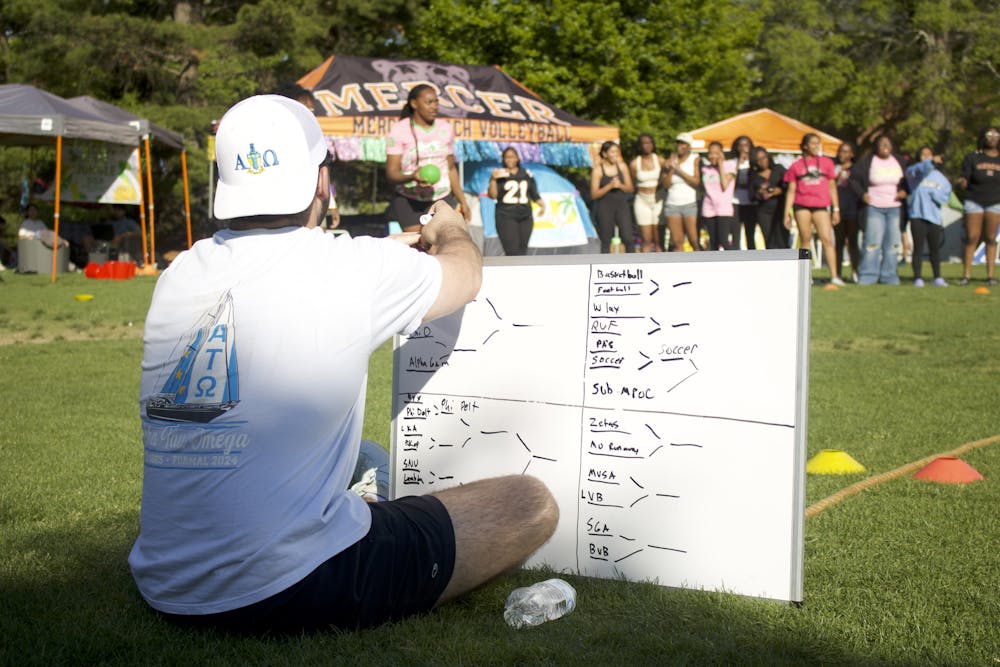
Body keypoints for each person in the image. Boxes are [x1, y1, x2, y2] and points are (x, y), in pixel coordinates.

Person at [129, 95, 558, 634]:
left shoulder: (181, 272)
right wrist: (449, 226)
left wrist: (392, 247)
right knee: (528, 502)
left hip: (166, 584)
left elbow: (307, 263)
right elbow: (465, 275)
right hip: (288, 587)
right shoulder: (353, 269)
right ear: (319, 182)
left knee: (368, 455)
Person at [385, 84, 471, 233]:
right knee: (418, 245)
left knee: (441, 243)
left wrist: (463, 201)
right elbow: (391, 174)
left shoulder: (445, 128)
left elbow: (451, 168)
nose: (434, 107)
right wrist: (413, 176)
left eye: (436, 102)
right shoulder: (399, 130)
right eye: (429, 102)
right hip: (409, 200)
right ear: (414, 104)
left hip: (442, 198)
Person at [784, 133, 844, 285]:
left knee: (827, 239)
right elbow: (791, 190)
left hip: (821, 206)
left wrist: (836, 209)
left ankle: (834, 276)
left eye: (818, 143)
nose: (817, 146)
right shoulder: (796, 166)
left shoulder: (827, 163)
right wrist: (786, 213)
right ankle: (805, 277)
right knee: (805, 240)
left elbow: (832, 187)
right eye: (813, 143)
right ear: (805, 146)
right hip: (801, 205)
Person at [850, 134, 907, 285]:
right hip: (874, 207)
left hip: (894, 207)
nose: (885, 146)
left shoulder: (899, 161)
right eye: (881, 144)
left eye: (888, 143)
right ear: (876, 146)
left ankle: (889, 276)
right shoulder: (868, 161)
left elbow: (909, 180)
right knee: (872, 242)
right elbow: (853, 179)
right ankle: (868, 275)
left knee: (893, 243)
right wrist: (862, 194)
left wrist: (905, 191)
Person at [957, 126, 1000, 286]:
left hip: (995, 201)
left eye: (996, 135)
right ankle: (966, 275)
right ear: (983, 137)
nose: (993, 137)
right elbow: (964, 177)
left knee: (990, 238)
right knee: (972, 237)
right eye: (989, 134)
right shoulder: (973, 157)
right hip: (974, 200)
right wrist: (962, 182)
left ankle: (990, 276)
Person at [905, 146, 952, 286]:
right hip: (917, 215)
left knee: (934, 249)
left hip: (934, 218)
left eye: (929, 154)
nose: (926, 157)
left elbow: (946, 197)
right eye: (923, 155)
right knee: (918, 248)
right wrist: (930, 161)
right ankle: (917, 277)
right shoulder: (914, 173)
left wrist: (935, 195)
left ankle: (937, 277)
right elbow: (917, 169)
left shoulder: (941, 178)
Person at [488, 147, 544, 256]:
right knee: (512, 251)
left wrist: (542, 205)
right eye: (507, 157)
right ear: (503, 159)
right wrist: (493, 179)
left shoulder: (526, 174)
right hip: (506, 215)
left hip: (525, 216)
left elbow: (534, 194)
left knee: (522, 250)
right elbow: (493, 195)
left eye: (512, 157)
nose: (510, 160)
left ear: (517, 158)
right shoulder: (499, 174)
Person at [590, 140, 635, 253]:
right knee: (606, 240)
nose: (615, 155)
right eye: (612, 152)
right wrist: (609, 186)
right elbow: (594, 194)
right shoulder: (598, 170)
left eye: (617, 152)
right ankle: (604, 267)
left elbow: (630, 188)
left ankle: (634, 264)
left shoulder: (622, 167)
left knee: (628, 238)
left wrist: (620, 185)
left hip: (621, 205)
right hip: (605, 206)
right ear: (605, 154)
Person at [661, 133, 701, 251]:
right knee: (677, 242)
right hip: (672, 204)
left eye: (683, 143)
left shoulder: (695, 159)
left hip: (690, 204)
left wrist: (679, 169)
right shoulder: (669, 162)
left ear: (689, 146)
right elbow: (666, 185)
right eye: (678, 143)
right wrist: (672, 169)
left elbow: (696, 181)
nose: (680, 146)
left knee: (693, 240)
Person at [630, 133, 668, 252]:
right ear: (640, 146)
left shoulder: (660, 160)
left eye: (649, 142)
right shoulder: (634, 163)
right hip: (642, 200)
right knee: (645, 239)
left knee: (659, 240)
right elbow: (632, 183)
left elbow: (667, 179)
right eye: (644, 143)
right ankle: (645, 267)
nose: (647, 145)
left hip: (658, 199)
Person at [700, 141, 737, 251]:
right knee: (713, 241)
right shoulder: (705, 169)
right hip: (708, 208)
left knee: (723, 240)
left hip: (723, 208)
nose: (712, 156)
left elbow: (725, 185)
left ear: (721, 153)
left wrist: (721, 163)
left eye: (716, 153)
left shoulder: (730, 166)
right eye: (710, 153)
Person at [749, 146, 787, 249]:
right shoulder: (754, 175)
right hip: (764, 212)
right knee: (769, 241)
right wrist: (760, 193)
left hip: (780, 208)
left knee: (782, 238)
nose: (762, 161)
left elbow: (789, 186)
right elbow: (751, 196)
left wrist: (779, 191)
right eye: (758, 160)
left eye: (764, 157)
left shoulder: (778, 169)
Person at [834, 143, 862, 283]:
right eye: (840, 151)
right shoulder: (833, 168)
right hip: (838, 210)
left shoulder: (857, 169)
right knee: (838, 243)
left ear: (851, 154)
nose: (842, 154)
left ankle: (856, 272)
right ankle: (837, 273)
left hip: (853, 210)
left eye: (845, 152)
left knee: (853, 243)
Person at [731, 135, 758, 249]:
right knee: (735, 233)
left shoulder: (755, 162)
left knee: (750, 233)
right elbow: (730, 178)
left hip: (750, 202)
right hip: (735, 200)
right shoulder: (732, 162)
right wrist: (738, 163)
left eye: (746, 145)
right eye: (740, 145)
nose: (743, 148)